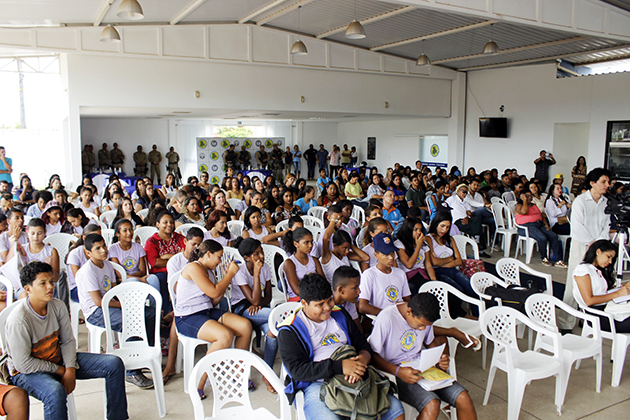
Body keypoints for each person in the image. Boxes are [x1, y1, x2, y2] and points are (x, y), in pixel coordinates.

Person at [6, 261, 128, 420]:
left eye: (51, 281)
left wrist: (70, 367)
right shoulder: (19, 319)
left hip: (57, 359)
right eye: (43, 283)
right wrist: (62, 371)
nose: (50, 287)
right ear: (28, 289)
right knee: (54, 391)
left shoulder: (57, 306)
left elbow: (68, 341)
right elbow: (24, 364)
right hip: (26, 372)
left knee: (114, 364)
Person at [277, 273, 405, 420]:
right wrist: (340, 367)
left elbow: (362, 343)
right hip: (317, 383)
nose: (327, 308)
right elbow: (298, 371)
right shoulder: (290, 330)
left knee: (395, 410)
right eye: (320, 304)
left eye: (329, 300)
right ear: (304, 303)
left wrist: (363, 359)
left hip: (354, 374)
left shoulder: (339, 314)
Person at [370, 293, 478, 420]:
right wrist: (398, 372)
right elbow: (372, 355)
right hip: (397, 372)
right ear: (409, 312)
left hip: (423, 367)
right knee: (432, 404)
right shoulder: (387, 318)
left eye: (426, 326)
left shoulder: (425, 318)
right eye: (420, 325)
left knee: (463, 397)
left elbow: (430, 341)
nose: (422, 329)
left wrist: (439, 358)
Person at [76, 234, 155, 389]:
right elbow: (99, 301)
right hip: (96, 312)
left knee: (150, 313)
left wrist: (129, 303)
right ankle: (131, 371)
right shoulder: (88, 271)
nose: (103, 250)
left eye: (104, 246)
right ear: (88, 253)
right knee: (132, 320)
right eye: (97, 248)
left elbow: (113, 291)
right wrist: (126, 306)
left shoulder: (107, 265)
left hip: (110, 305)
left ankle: (143, 355)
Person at [174, 240, 253, 396]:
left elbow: (214, 300)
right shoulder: (193, 267)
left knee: (245, 325)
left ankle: (237, 374)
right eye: (218, 257)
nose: (220, 261)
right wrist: (230, 274)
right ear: (208, 254)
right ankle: (199, 381)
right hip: (188, 317)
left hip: (206, 311)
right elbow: (214, 292)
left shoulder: (209, 270)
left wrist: (224, 278)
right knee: (224, 336)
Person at [558, 168, 612, 332]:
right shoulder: (580, 201)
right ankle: (565, 322)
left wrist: (600, 244)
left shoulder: (605, 202)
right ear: (592, 183)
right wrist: (593, 243)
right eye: (603, 182)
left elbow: (606, 226)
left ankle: (586, 317)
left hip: (599, 249)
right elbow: (578, 228)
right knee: (574, 283)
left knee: (596, 283)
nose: (607, 185)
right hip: (582, 245)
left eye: (608, 182)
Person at [230, 238, 278, 390]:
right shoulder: (240, 272)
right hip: (242, 311)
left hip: (260, 310)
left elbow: (268, 297)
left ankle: (268, 375)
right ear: (247, 258)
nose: (261, 256)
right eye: (256, 254)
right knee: (277, 317)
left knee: (272, 332)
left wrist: (258, 305)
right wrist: (256, 275)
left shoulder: (266, 268)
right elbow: (253, 299)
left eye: (261, 251)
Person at [572, 240, 630, 332]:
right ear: (598, 251)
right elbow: (589, 301)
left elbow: (603, 293)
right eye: (609, 257)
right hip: (597, 316)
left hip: (607, 310)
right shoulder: (583, 270)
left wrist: (620, 290)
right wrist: (618, 294)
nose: (610, 261)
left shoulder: (597, 270)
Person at [358, 232, 411, 316]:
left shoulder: (400, 273)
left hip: (401, 315)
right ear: (376, 255)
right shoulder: (369, 274)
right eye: (386, 254)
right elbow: (362, 307)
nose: (391, 257)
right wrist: (389, 315)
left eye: (392, 253)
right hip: (383, 318)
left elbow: (407, 300)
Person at [144, 210, 186, 313]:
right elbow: (155, 262)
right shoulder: (152, 241)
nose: (169, 225)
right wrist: (176, 257)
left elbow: (186, 254)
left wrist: (166, 256)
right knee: (162, 279)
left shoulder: (179, 238)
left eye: (171, 222)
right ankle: (166, 312)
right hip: (161, 272)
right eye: (165, 222)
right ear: (158, 224)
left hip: (179, 270)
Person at [514, 190, 566, 268]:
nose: (530, 197)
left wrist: (546, 225)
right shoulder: (519, 206)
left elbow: (541, 215)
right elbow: (524, 211)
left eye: (530, 196)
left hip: (539, 224)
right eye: (527, 196)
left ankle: (558, 260)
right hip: (526, 227)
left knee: (553, 236)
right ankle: (544, 258)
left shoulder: (534, 205)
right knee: (542, 238)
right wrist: (524, 201)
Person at [109, 219, 160, 291]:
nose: (129, 233)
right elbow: (120, 274)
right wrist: (138, 279)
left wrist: (134, 277)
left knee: (153, 279)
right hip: (123, 281)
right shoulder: (113, 249)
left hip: (135, 276)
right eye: (125, 230)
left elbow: (143, 271)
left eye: (131, 229)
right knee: (133, 281)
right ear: (117, 234)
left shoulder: (138, 247)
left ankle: (154, 302)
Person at [320, 219, 368, 285]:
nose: (347, 251)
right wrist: (333, 221)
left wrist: (350, 245)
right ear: (335, 245)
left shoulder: (345, 255)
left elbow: (365, 258)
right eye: (344, 248)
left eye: (348, 248)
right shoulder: (327, 256)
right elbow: (325, 238)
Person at [283, 227, 325, 301]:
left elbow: (324, 281)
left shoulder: (314, 260)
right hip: (298, 299)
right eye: (306, 242)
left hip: (316, 296)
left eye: (311, 242)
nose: (311, 245)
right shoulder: (290, 263)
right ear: (296, 244)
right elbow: (297, 290)